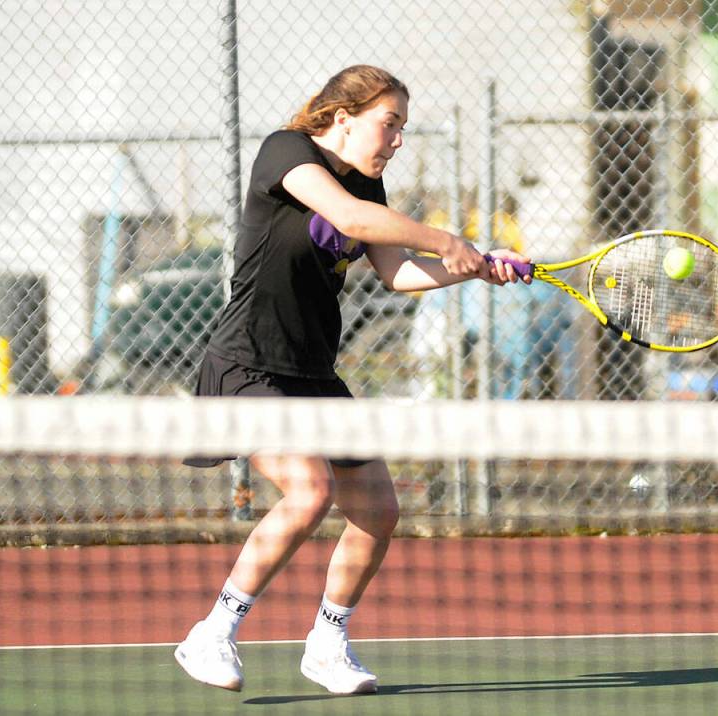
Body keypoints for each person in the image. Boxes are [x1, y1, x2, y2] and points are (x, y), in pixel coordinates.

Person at [173, 65, 529, 696]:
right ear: (343, 118)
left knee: (377, 511)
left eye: (402, 128)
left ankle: (327, 644)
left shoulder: (369, 182)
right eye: (389, 123)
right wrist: (449, 240)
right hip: (248, 363)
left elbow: (398, 274)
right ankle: (212, 632)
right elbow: (350, 218)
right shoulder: (287, 153)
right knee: (310, 491)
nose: (397, 140)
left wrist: (475, 267)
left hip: (313, 372)